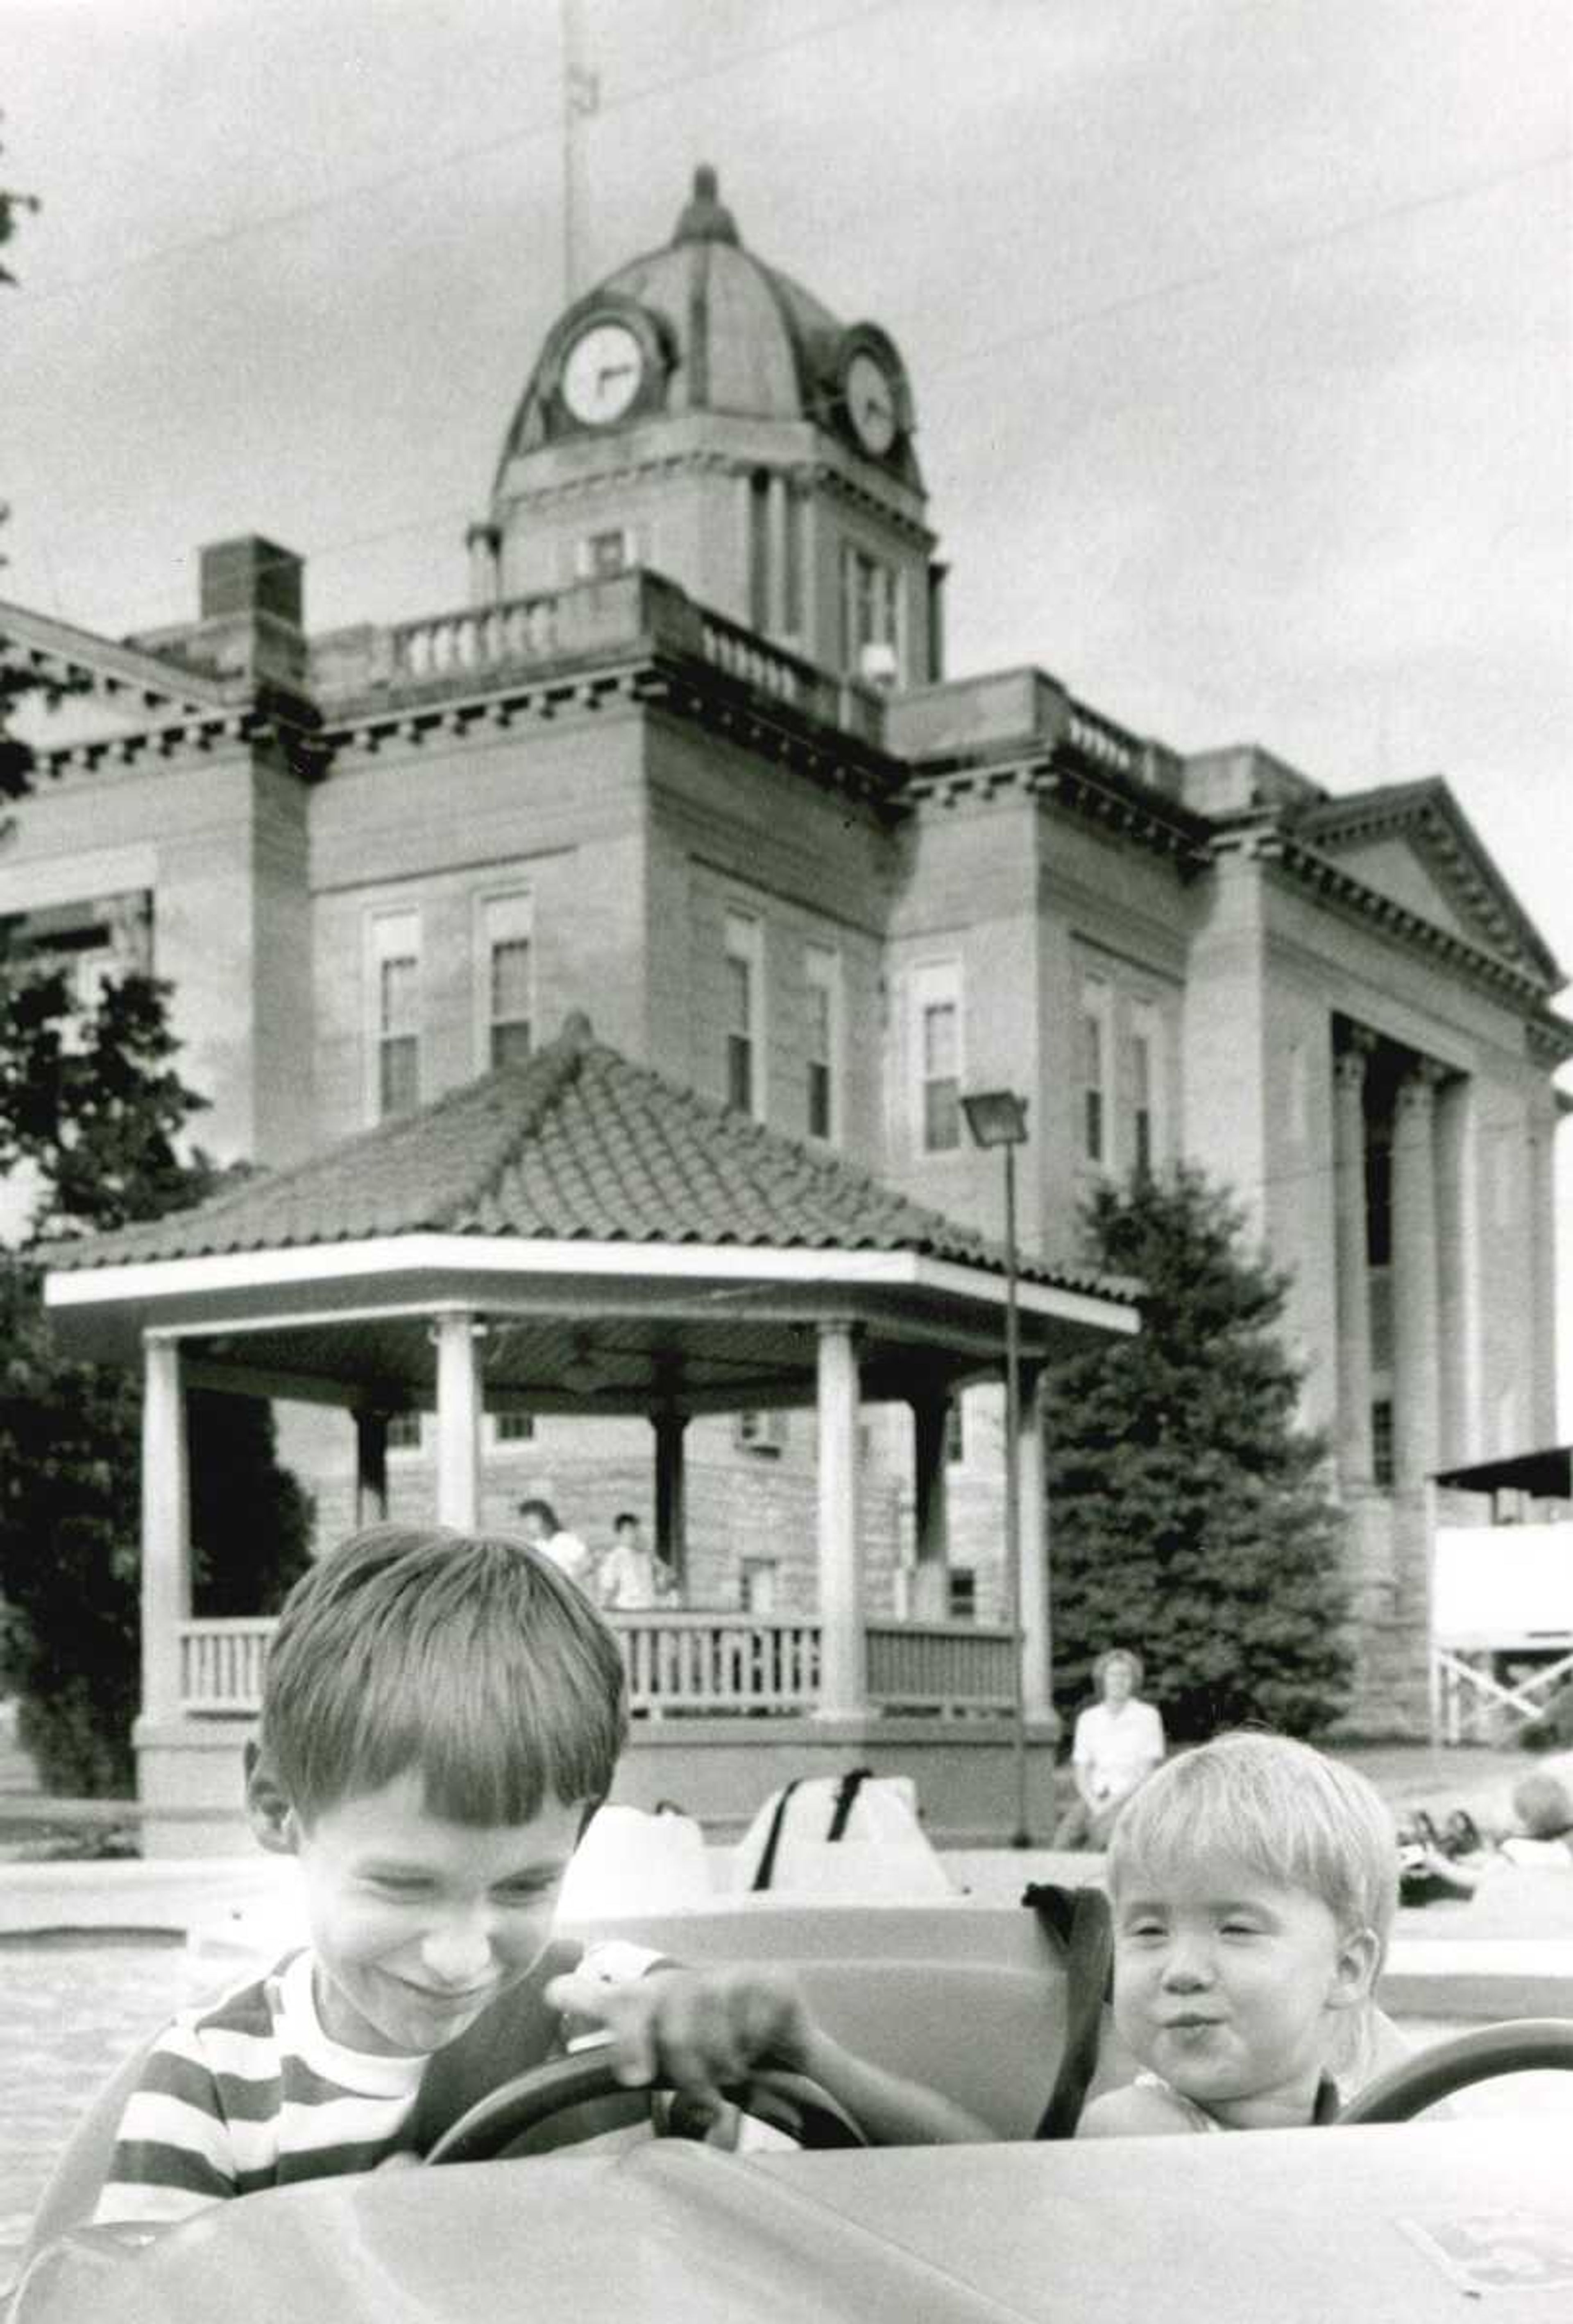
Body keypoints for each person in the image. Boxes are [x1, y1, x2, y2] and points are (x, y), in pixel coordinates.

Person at [92, 1524, 981, 2227]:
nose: (459, 1954)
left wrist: (813, 2063)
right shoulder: (212, 2078)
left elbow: (961, 2219)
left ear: (583, 1828)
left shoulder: (631, 2018)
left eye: (521, 1886)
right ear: (277, 1802)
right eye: (403, 1884)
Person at [1077, 1731, 1398, 2136]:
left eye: (1236, 1929)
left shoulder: (1363, 2121)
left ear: (1347, 1968)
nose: (1182, 1971)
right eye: (1150, 1930)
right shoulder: (1138, 2129)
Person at [1052, 1647, 1165, 1849]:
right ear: (1103, 1679)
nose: (1119, 1681)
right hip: (1094, 1795)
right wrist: (1095, 1804)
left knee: (1102, 1839)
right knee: (1062, 1844)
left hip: (1131, 1797)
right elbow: (1082, 1772)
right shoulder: (1088, 1718)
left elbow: (1147, 1774)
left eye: (1125, 1675)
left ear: (1134, 1681)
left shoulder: (1148, 1716)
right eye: (1113, 1674)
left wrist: (1109, 1806)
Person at [597, 1511, 675, 1612]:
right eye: (630, 1530)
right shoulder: (615, 1558)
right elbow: (607, 1588)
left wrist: (663, 1571)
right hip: (627, 1611)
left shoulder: (647, 1556)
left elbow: (663, 1587)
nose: (635, 1534)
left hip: (650, 1610)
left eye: (637, 1529)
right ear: (620, 1534)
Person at [517, 1495, 593, 1591]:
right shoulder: (536, 1546)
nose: (533, 1526)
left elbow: (587, 1566)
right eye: (528, 1522)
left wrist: (569, 1582)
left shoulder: (567, 1541)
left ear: (547, 1519)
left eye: (535, 1521)